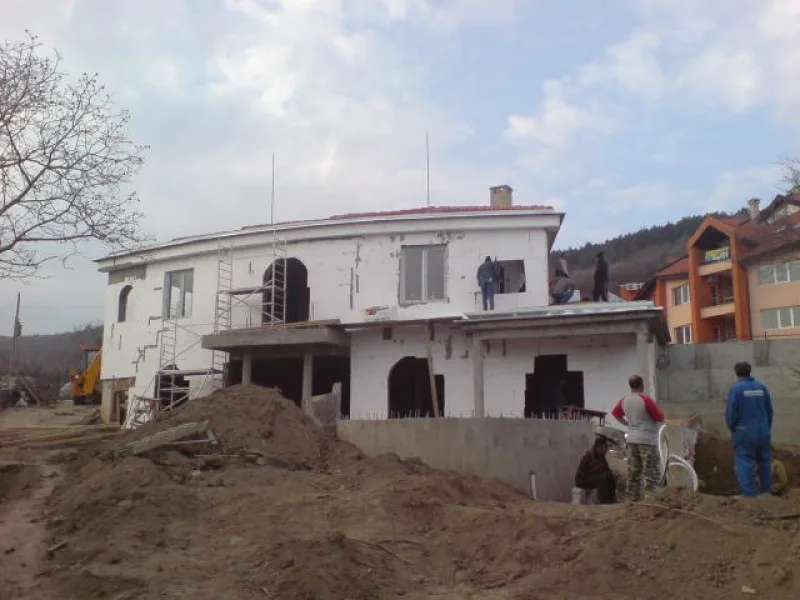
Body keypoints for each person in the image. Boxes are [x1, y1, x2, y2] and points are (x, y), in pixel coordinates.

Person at [611, 374, 665, 503]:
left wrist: (626, 423)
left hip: (632, 440)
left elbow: (615, 413)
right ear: (642, 385)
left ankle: (632, 501)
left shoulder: (624, 400)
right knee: (650, 472)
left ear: (630, 386)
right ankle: (651, 500)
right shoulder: (645, 400)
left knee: (634, 472)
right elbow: (659, 417)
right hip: (647, 440)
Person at [726, 361, 773, 497]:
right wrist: (766, 427)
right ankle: (766, 492)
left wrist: (732, 428)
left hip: (744, 431)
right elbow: (769, 411)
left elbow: (731, 413)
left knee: (745, 459)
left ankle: (749, 494)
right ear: (750, 371)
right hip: (763, 431)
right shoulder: (762, 387)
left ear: (736, 373)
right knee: (764, 460)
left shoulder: (736, 389)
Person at [575, 435, 617, 504]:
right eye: (604, 448)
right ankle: (604, 502)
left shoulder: (601, 456)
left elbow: (605, 468)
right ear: (598, 447)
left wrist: (611, 474)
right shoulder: (590, 455)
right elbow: (594, 470)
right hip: (582, 480)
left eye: (605, 448)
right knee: (602, 479)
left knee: (611, 478)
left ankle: (611, 500)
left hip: (592, 477)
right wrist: (606, 473)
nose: (606, 450)